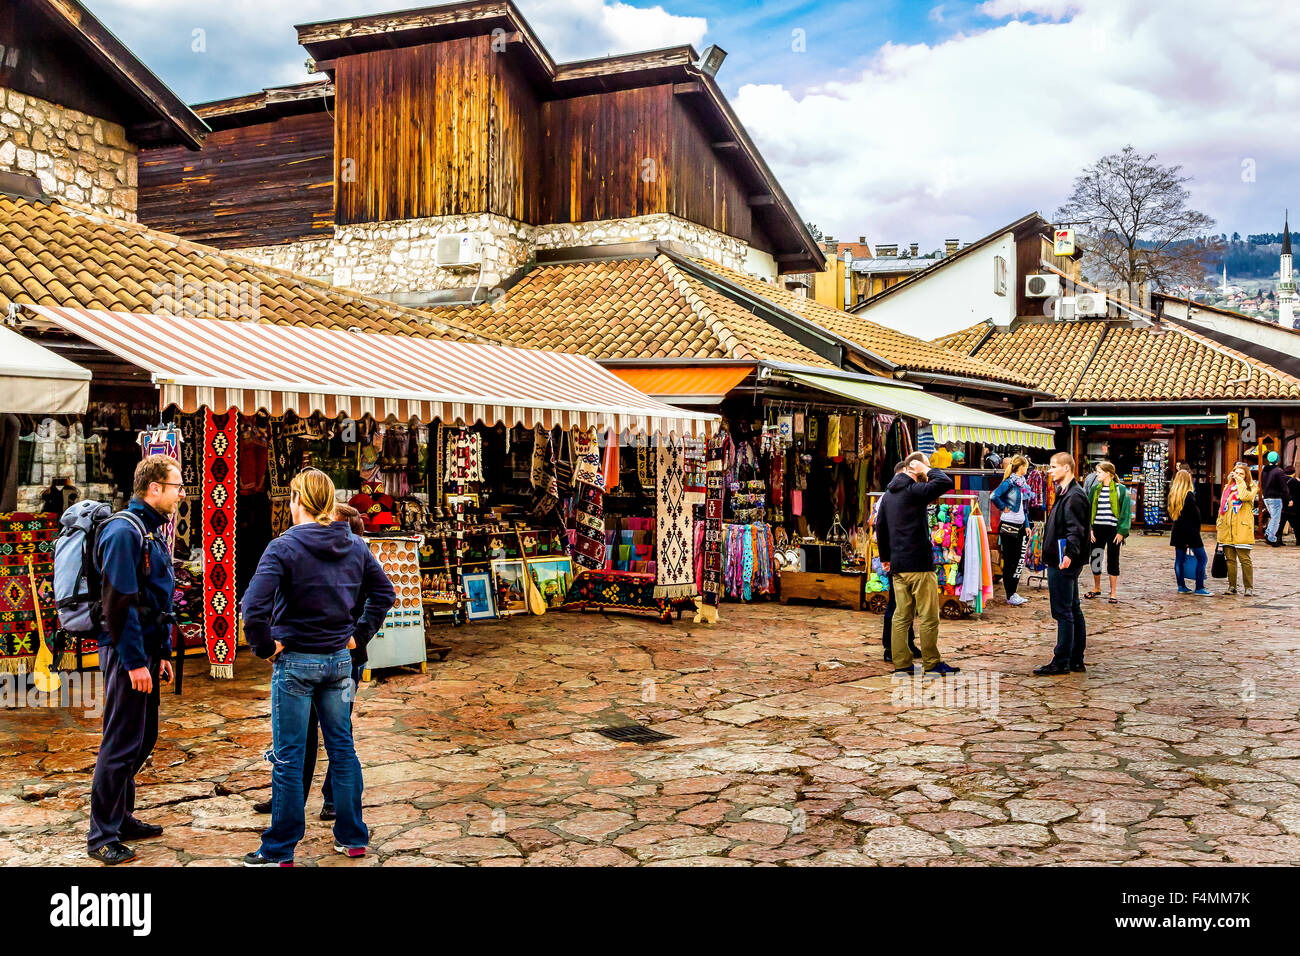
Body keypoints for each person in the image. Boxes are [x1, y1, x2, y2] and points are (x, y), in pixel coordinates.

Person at [241, 469, 395, 866]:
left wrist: (264, 647)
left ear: (296, 500)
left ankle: (279, 849)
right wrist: (358, 636)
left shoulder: (283, 547)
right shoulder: (354, 545)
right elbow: (384, 593)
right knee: (343, 750)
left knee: (289, 756)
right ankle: (352, 837)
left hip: (296, 663)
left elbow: (252, 607)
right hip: (339, 663)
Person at [87, 455, 182, 865]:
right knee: (121, 742)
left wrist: (158, 655)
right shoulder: (124, 532)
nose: (181, 493)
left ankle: (122, 817)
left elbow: (152, 600)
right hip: (128, 653)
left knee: (142, 739)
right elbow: (118, 605)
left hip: (145, 652)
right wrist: (134, 662)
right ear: (153, 488)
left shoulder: (149, 531)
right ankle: (101, 835)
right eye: (176, 486)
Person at [252, 504, 370, 819]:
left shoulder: (354, 559)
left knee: (337, 734)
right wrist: (275, 642)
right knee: (304, 733)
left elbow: (379, 596)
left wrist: (358, 635)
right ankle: (290, 800)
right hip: (311, 655)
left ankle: (333, 801)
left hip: (341, 658)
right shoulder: (316, 558)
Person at [875, 451, 959, 677]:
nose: (928, 471)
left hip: (898, 565)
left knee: (901, 615)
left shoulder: (888, 495)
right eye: (926, 466)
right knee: (929, 616)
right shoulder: (913, 491)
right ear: (915, 468)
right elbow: (944, 482)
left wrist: (885, 557)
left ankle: (902, 664)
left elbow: (879, 526)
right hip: (919, 565)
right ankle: (932, 663)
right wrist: (924, 469)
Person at [1034, 451, 1090, 676]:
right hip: (1063, 559)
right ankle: (1075, 658)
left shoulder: (1074, 495)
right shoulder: (1066, 493)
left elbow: (1075, 528)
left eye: (1054, 467)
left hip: (1063, 561)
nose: (1050, 471)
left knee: (1063, 611)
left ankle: (1062, 660)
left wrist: (1068, 555)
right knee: (1072, 608)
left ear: (1066, 468)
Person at [875, 462, 921, 663]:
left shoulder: (904, 495)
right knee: (895, 605)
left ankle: (907, 642)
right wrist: (885, 557)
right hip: (897, 557)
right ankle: (890, 647)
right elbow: (881, 528)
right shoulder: (890, 497)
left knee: (907, 605)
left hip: (905, 557)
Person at [990, 454, 1037, 606]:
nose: (1028, 468)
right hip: (1008, 525)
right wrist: (1003, 507)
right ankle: (1010, 594)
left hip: (1021, 525)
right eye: (1026, 466)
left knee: (1019, 560)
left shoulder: (1023, 483)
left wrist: (1028, 525)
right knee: (1011, 560)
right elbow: (994, 496)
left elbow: (1025, 508)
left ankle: (1013, 593)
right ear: (1021, 467)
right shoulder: (1009, 482)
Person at [1084, 462, 1131, 604]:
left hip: (1113, 530)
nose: (1096, 474)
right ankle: (1097, 587)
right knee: (1096, 558)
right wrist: (1089, 529)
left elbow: (1125, 511)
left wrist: (1122, 531)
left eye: (1099, 472)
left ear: (1108, 473)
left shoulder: (1121, 490)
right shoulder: (1095, 489)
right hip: (1097, 529)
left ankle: (1113, 592)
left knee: (1113, 559)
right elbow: (1088, 510)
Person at [1216, 461, 1258, 597]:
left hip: (1242, 528)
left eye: (1241, 474)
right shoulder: (1227, 489)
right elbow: (1222, 507)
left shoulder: (1251, 487)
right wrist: (1219, 523)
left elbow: (1245, 496)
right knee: (1230, 559)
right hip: (1227, 528)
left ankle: (1248, 587)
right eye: (1236, 473)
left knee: (1244, 559)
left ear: (1246, 475)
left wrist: (1240, 482)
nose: (1238, 475)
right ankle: (1232, 585)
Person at [1168, 471, 1210, 595]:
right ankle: (1199, 586)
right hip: (1190, 533)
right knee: (1202, 558)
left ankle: (1181, 586)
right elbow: (1192, 517)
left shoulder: (1173, 494)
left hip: (1178, 531)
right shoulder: (1189, 495)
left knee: (1179, 560)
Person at [1260, 451, 1287, 546]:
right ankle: (1271, 538)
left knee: (1273, 517)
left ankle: (1268, 533)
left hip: (1266, 497)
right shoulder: (1278, 471)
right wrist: (1287, 498)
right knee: (1276, 519)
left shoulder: (1264, 470)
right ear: (1277, 459)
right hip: (1275, 497)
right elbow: (1284, 487)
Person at [1283, 465, 1300, 547]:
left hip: (1283, 505)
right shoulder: (1295, 481)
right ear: (1293, 473)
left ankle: (1278, 539)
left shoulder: (1282, 480)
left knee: (1281, 524)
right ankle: (1298, 541)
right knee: (1297, 525)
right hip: (1294, 506)